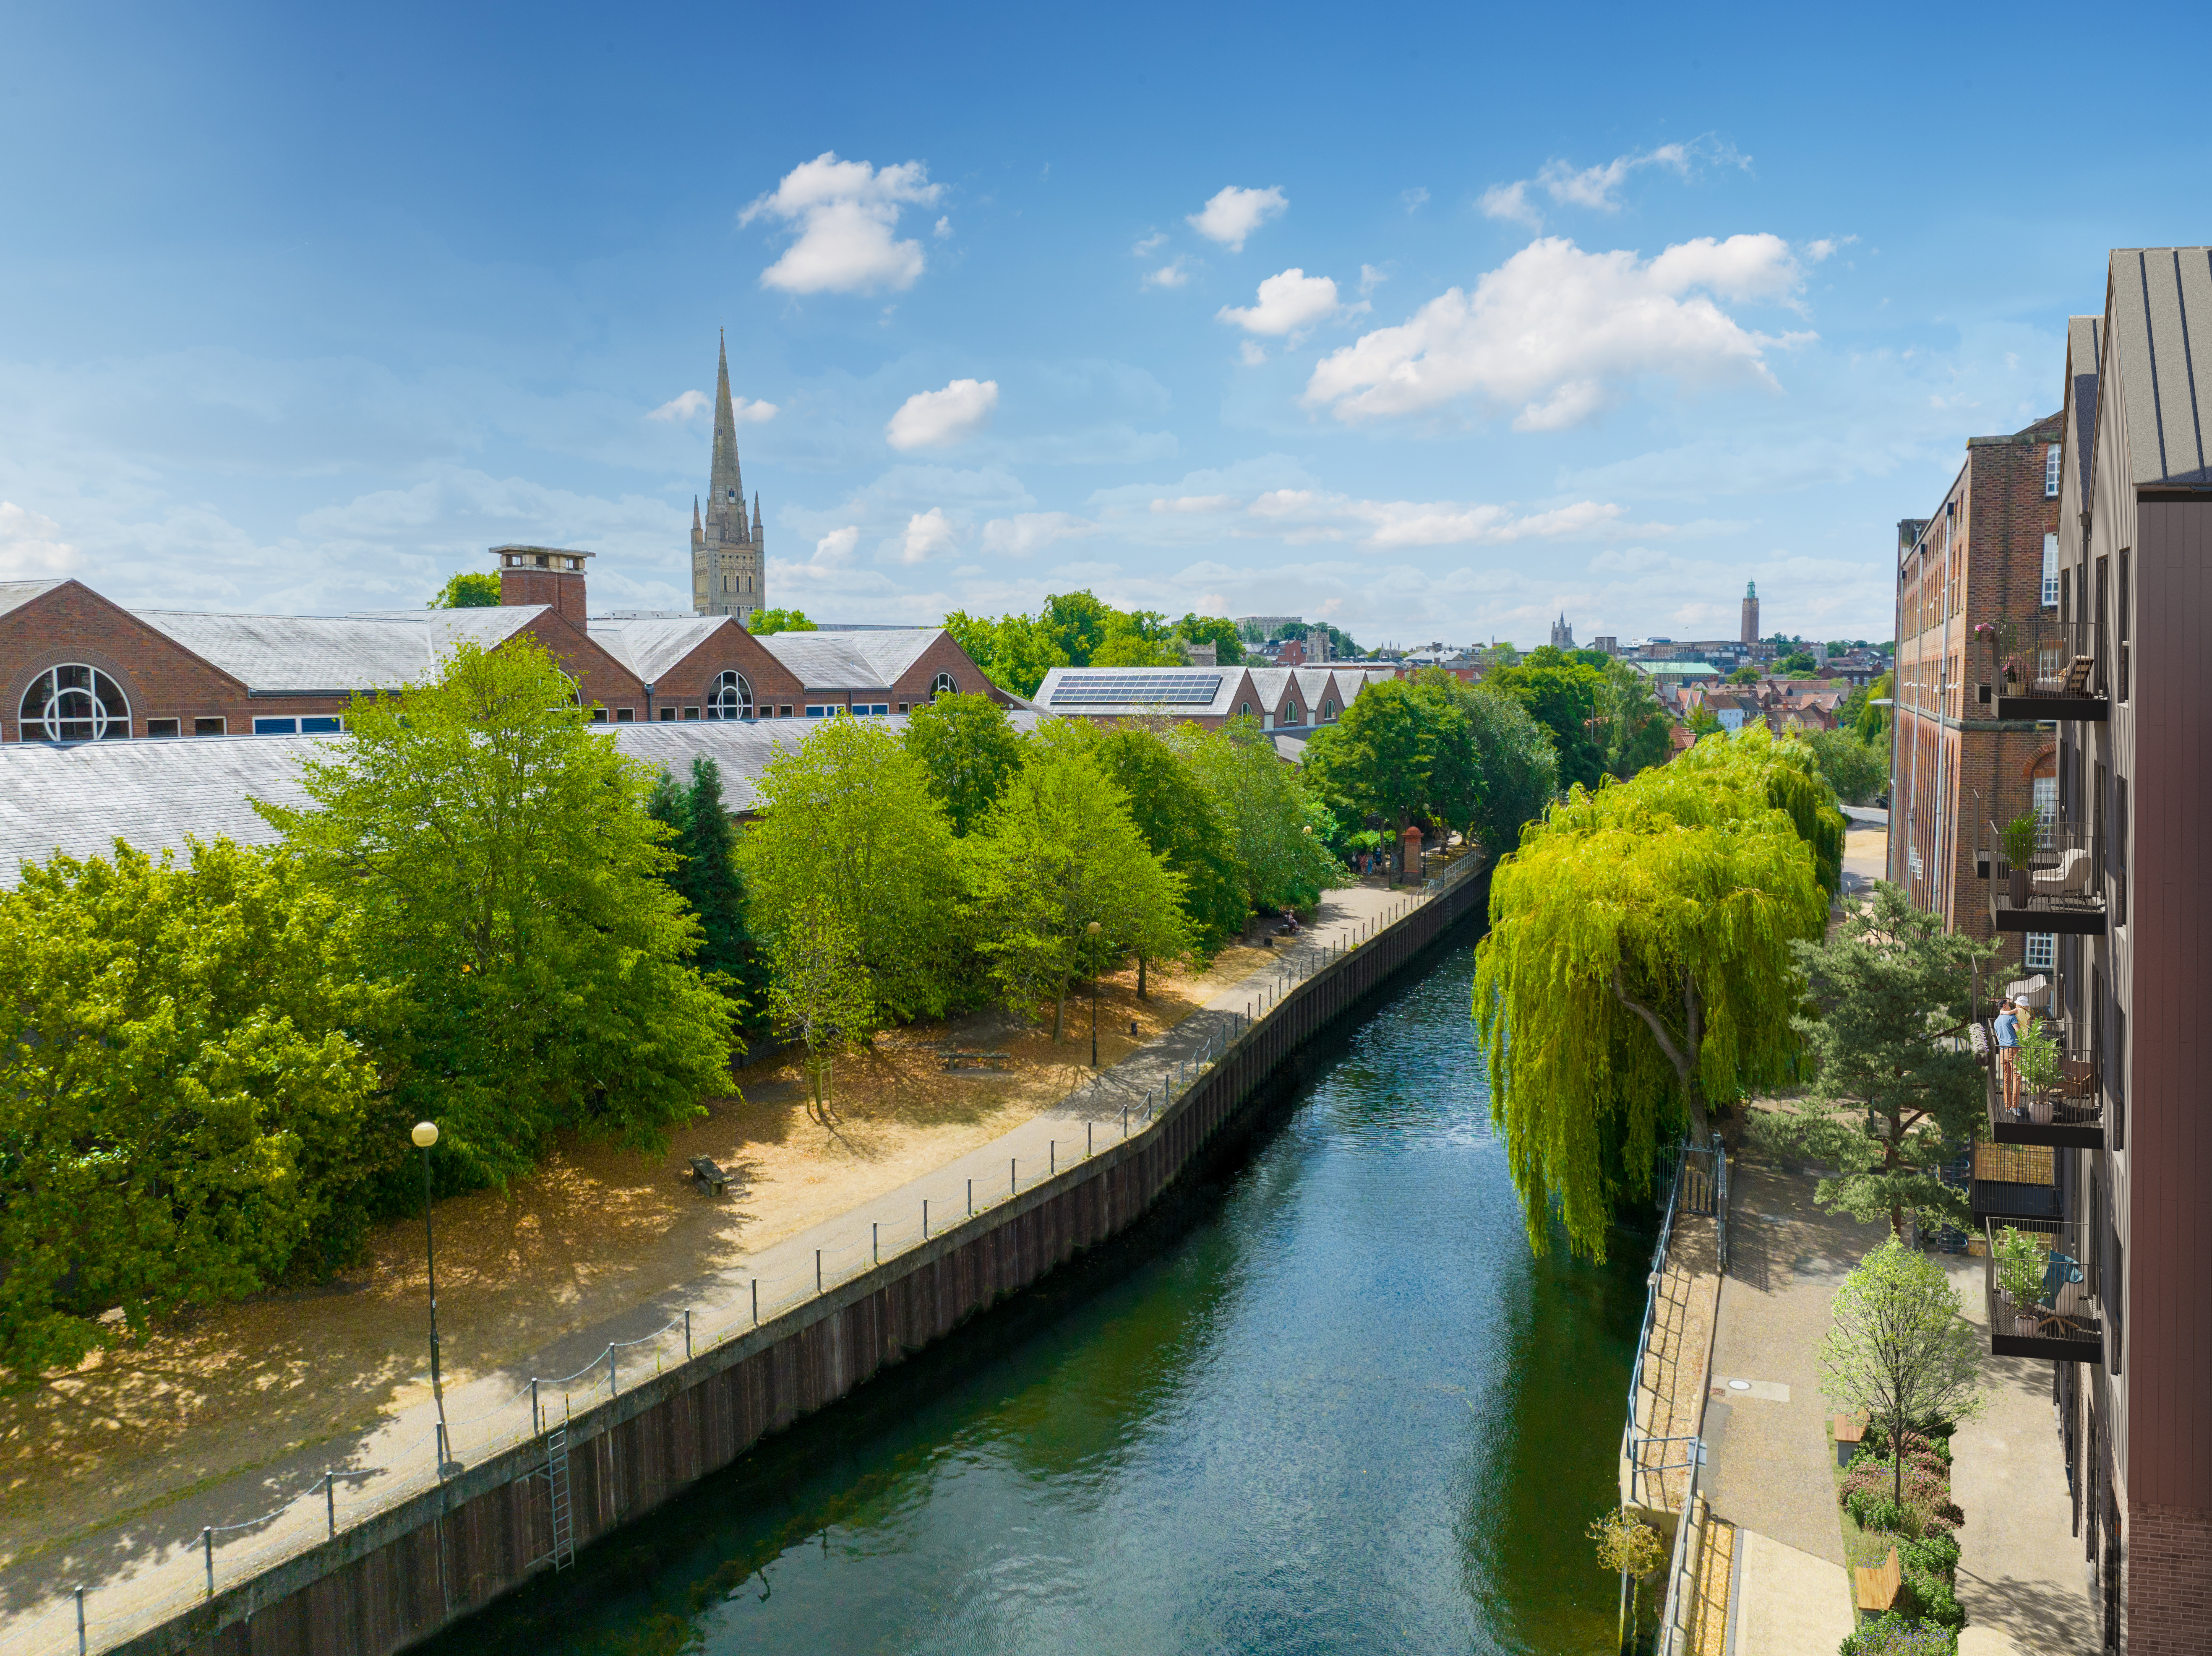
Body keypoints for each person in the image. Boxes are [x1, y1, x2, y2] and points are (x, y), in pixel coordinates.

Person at [1994, 998, 2020, 1110]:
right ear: (2004, 1006)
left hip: (2002, 1051)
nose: (2010, 1006)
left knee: (2006, 1079)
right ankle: (2015, 1106)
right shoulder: (2011, 1017)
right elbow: (2019, 1031)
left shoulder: (1996, 1022)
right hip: (2013, 1049)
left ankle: (2008, 1106)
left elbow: (1999, 1038)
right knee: (2017, 1077)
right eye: (2009, 1005)